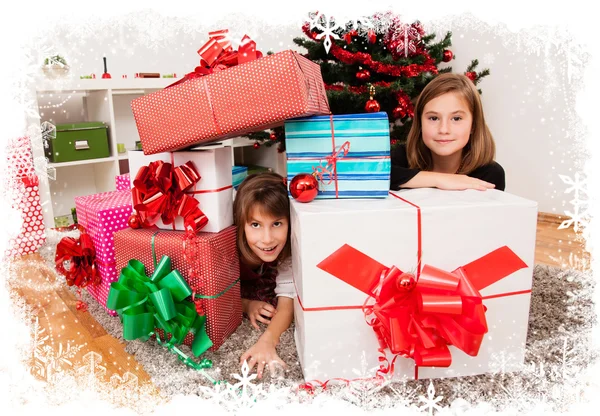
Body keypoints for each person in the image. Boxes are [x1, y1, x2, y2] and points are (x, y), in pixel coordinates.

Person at [390, 73, 505, 191]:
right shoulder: (403, 157)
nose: (443, 130)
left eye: (456, 118)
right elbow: (374, 174)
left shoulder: (489, 174)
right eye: (433, 118)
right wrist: (440, 179)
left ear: (473, 125)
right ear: (420, 123)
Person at [233, 172, 295, 379]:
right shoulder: (227, 247)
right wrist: (246, 304)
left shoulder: (291, 251)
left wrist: (268, 340)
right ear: (242, 225)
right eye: (256, 225)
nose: (267, 239)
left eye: (277, 224)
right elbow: (212, 296)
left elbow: (287, 304)